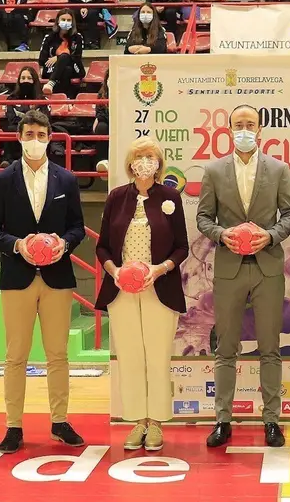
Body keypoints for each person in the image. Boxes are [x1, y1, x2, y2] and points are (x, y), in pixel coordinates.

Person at [0, 110, 87, 454]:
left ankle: (60, 421)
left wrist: (63, 244)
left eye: (41, 135)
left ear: (50, 138)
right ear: (19, 137)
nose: (35, 140)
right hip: (17, 277)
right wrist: (17, 245)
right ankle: (13, 426)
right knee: (16, 356)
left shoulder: (66, 180)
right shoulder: (2, 180)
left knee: (58, 354)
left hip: (57, 278)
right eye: (29, 134)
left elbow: (78, 227)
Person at [195, 104, 290, 448]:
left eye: (250, 124)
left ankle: (272, 421)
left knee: (270, 348)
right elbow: (203, 217)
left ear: (259, 130)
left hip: (268, 268)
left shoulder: (278, 169)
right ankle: (222, 420)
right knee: (226, 348)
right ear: (229, 130)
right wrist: (221, 234)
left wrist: (270, 235)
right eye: (238, 124)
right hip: (229, 269)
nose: (244, 129)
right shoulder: (213, 171)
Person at [95, 138, 188, 451]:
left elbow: (182, 247)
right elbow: (102, 247)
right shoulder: (116, 197)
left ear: (158, 163)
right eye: (139, 156)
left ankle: (157, 422)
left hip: (158, 289)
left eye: (150, 156)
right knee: (130, 357)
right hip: (121, 290)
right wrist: (115, 271)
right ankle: (137, 421)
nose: (144, 161)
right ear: (130, 163)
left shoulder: (170, 197)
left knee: (157, 357)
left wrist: (159, 269)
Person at [39, 9, 86, 94]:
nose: (66, 22)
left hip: (75, 68)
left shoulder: (77, 37)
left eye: (69, 20)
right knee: (66, 70)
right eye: (63, 19)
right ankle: (66, 97)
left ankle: (51, 84)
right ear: (58, 21)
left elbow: (77, 58)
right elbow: (42, 60)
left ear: (72, 22)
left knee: (65, 57)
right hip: (52, 69)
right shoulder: (49, 37)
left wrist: (58, 58)